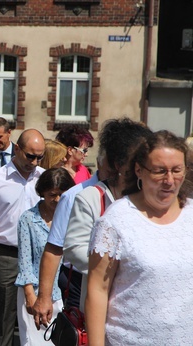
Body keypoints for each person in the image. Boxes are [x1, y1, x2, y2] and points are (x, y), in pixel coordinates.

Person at [32, 118, 152, 329]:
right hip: (87, 287)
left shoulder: (151, 199)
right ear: (119, 164)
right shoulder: (81, 197)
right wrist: (44, 297)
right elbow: (57, 248)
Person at [86, 130, 193, 345]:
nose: (169, 180)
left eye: (176, 170)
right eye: (159, 171)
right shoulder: (116, 220)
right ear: (139, 170)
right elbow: (97, 290)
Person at [63, 119, 153, 311]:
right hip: (104, 305)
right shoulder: (91, 197)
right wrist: (124, 267)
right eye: (139, 161)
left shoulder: (151, 199)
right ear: (119, 164)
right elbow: (74, 247)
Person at [0, 129, 46, 346]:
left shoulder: (43, 178)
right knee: (5, 315)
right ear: (17, 149)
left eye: (39, 157)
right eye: (30, 155)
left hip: (37, 257)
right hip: (6, 255)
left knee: (38, 314)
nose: (34, 161)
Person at [15, 168, 74, 345]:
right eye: (52, 195)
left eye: (61, 195)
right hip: (35, 293)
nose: (56, 200)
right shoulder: (28, 219)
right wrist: (30, 296)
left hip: (64, 294)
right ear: (42, 193)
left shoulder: (73, 217)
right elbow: (24, 262)